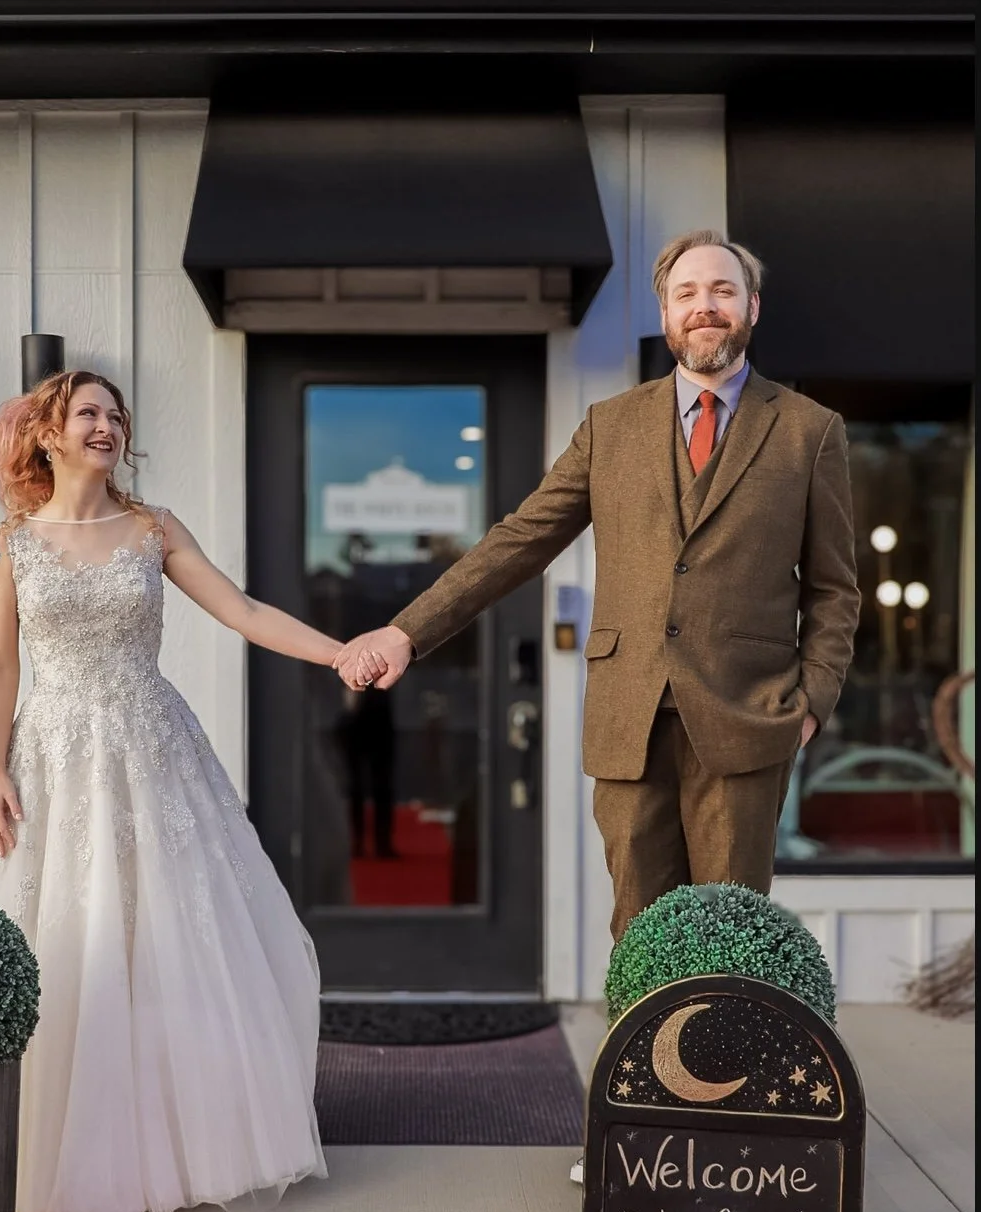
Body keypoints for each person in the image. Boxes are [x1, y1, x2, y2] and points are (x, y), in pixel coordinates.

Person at [334, 229, 860, 1124]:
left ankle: (724, 1136)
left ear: (751, 308)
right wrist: (407, 630)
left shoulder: (809, 431)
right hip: (628, 715)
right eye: (687, 292)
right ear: (663, 313)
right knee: (639, 932)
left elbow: (837, 590)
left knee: (727, 935)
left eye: (722, 292)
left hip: (746, 720)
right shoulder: (610, 428)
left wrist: (808, 703)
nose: (705, 307)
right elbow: (517, 540)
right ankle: (637, 1129)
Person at [0, 370, 339, 1212]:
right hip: (50, 756)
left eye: (115, 414)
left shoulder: (154, 529)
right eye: (88, 412)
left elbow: (241, 609)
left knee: (167, 933)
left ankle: (180, 1143)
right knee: (70, 933)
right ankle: (71, 1156)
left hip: (151, 751)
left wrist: (338, 653)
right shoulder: (7, 543)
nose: (107, 424)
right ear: (48, 434)